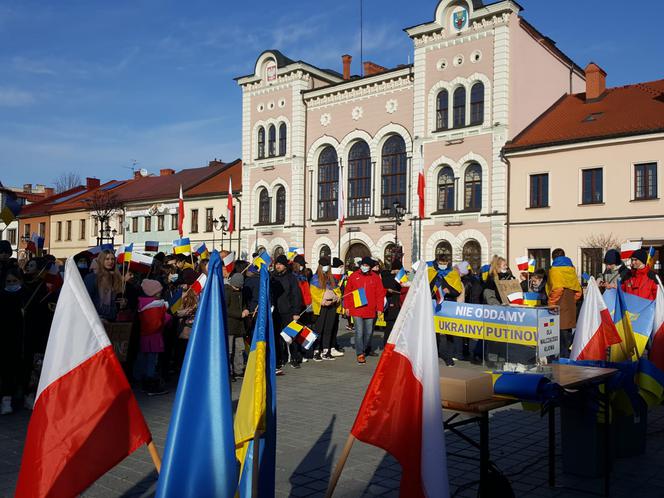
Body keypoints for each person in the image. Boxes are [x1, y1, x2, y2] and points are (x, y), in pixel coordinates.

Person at [343, 256, 385, 364]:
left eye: (366, 265)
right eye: (363, 265)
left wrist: (380, 308)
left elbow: (380, 294)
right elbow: (347, 292)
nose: (364, 267)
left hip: (370, 310)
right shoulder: (353, 276)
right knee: (359, 332)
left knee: (369, 332)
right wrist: (346, 306)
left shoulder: (375, 277)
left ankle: (365, 348)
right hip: (357, 309)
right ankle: (360, 353)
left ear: (370, 267)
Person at [134, 279, 170, 396]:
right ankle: (150, 385)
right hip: (154, 338)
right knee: (151, 362)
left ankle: (141, 380)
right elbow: (155, 324)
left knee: (143, 360)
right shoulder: (154, 306)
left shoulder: (143, 304)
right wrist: (167, 319)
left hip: (144, 337)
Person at [546, 249, 582, 358]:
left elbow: (557, 288)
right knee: (568, 332)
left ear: (553, 258)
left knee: (559, 332)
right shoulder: (571, 269)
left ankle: (561, 358)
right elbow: (578, 290)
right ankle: (567, 356)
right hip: (570, 302)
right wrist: (572, 301)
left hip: (559, 302)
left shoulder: (555, 270)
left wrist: (551, 303)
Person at [0, 267, 26, 414]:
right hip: (5, 338)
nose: (11, 284)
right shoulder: (2, 296)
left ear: (20, 281)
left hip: (20, 338)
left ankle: (13, 397)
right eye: (8, 281)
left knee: (16, 370)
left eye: (14, 281)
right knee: (6, 370)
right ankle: (6, 398)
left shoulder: (24, 295)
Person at [271, 255, 303, 372]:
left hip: (288, 311)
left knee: (291, 336)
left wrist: (296, 311)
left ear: (285, 265)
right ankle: (280, 358)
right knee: (277, 337)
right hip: (275, 312)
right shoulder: (272, 277)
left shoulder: (291, 278)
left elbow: (296, 296)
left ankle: (294, 357)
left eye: (280, 264)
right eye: (277, 264)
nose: (278, 266)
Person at [309, 257, 341, 361]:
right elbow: (314, 294)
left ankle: (326, 351)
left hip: (331, 306)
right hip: (321, 307)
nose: (326, 267)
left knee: (328, 328)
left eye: (327, 265)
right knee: (319, 329)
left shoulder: (332, 278)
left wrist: (336, 297)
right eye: (324, 265)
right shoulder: (315, 278)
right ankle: (316, 350)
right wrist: (323, 300)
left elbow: (338, 291)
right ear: (320, 266)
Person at [84, 249, 124, 321]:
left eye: (112, 259)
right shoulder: (92, 277)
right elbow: (86, 299)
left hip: (112, 318)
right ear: (101, 260)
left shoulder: (115, 277)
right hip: (96, 319)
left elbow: (116, 299)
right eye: (107, 259)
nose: (110, 261)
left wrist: (122, 303)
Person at [225, 273, 247, 380]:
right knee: (229, 351)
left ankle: (238, 370)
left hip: (239, 326)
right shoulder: (227, 292)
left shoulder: (240, 292)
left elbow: (242, 304)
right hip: (230, 325)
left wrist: (245, 309)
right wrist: (239, 314)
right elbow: (225, 309)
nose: (239, 288)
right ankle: (229, 372)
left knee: (239, 349)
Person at [381, 262, 403, 346]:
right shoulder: (387, 277)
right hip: (390, 304)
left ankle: (396, 344)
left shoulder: (401, 277)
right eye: (398, 269)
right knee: (390, 326)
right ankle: (387, 344)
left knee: (398, 327)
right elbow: (384, 288)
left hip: (399, 303)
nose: (399, 271)